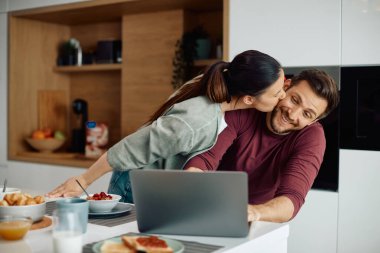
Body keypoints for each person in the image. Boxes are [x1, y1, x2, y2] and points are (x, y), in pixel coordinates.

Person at [48, 50, 286, 199]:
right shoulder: (195, 122)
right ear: (248, 99)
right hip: (136, 185)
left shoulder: (216, 87)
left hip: (156, 185)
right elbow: (132, 148)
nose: (282, 97)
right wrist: (83, 180)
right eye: (277, 93)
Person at [184, 69, 340, 223]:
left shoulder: (312, 137)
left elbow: (292, 198)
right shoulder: (248, 104)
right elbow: (205, 159)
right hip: (207, 201)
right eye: (295, 100)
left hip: (259, 215)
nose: (292, 115)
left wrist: (253, 212)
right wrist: (188, 188)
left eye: (307, 114)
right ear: (285, 87)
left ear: (313, 121)